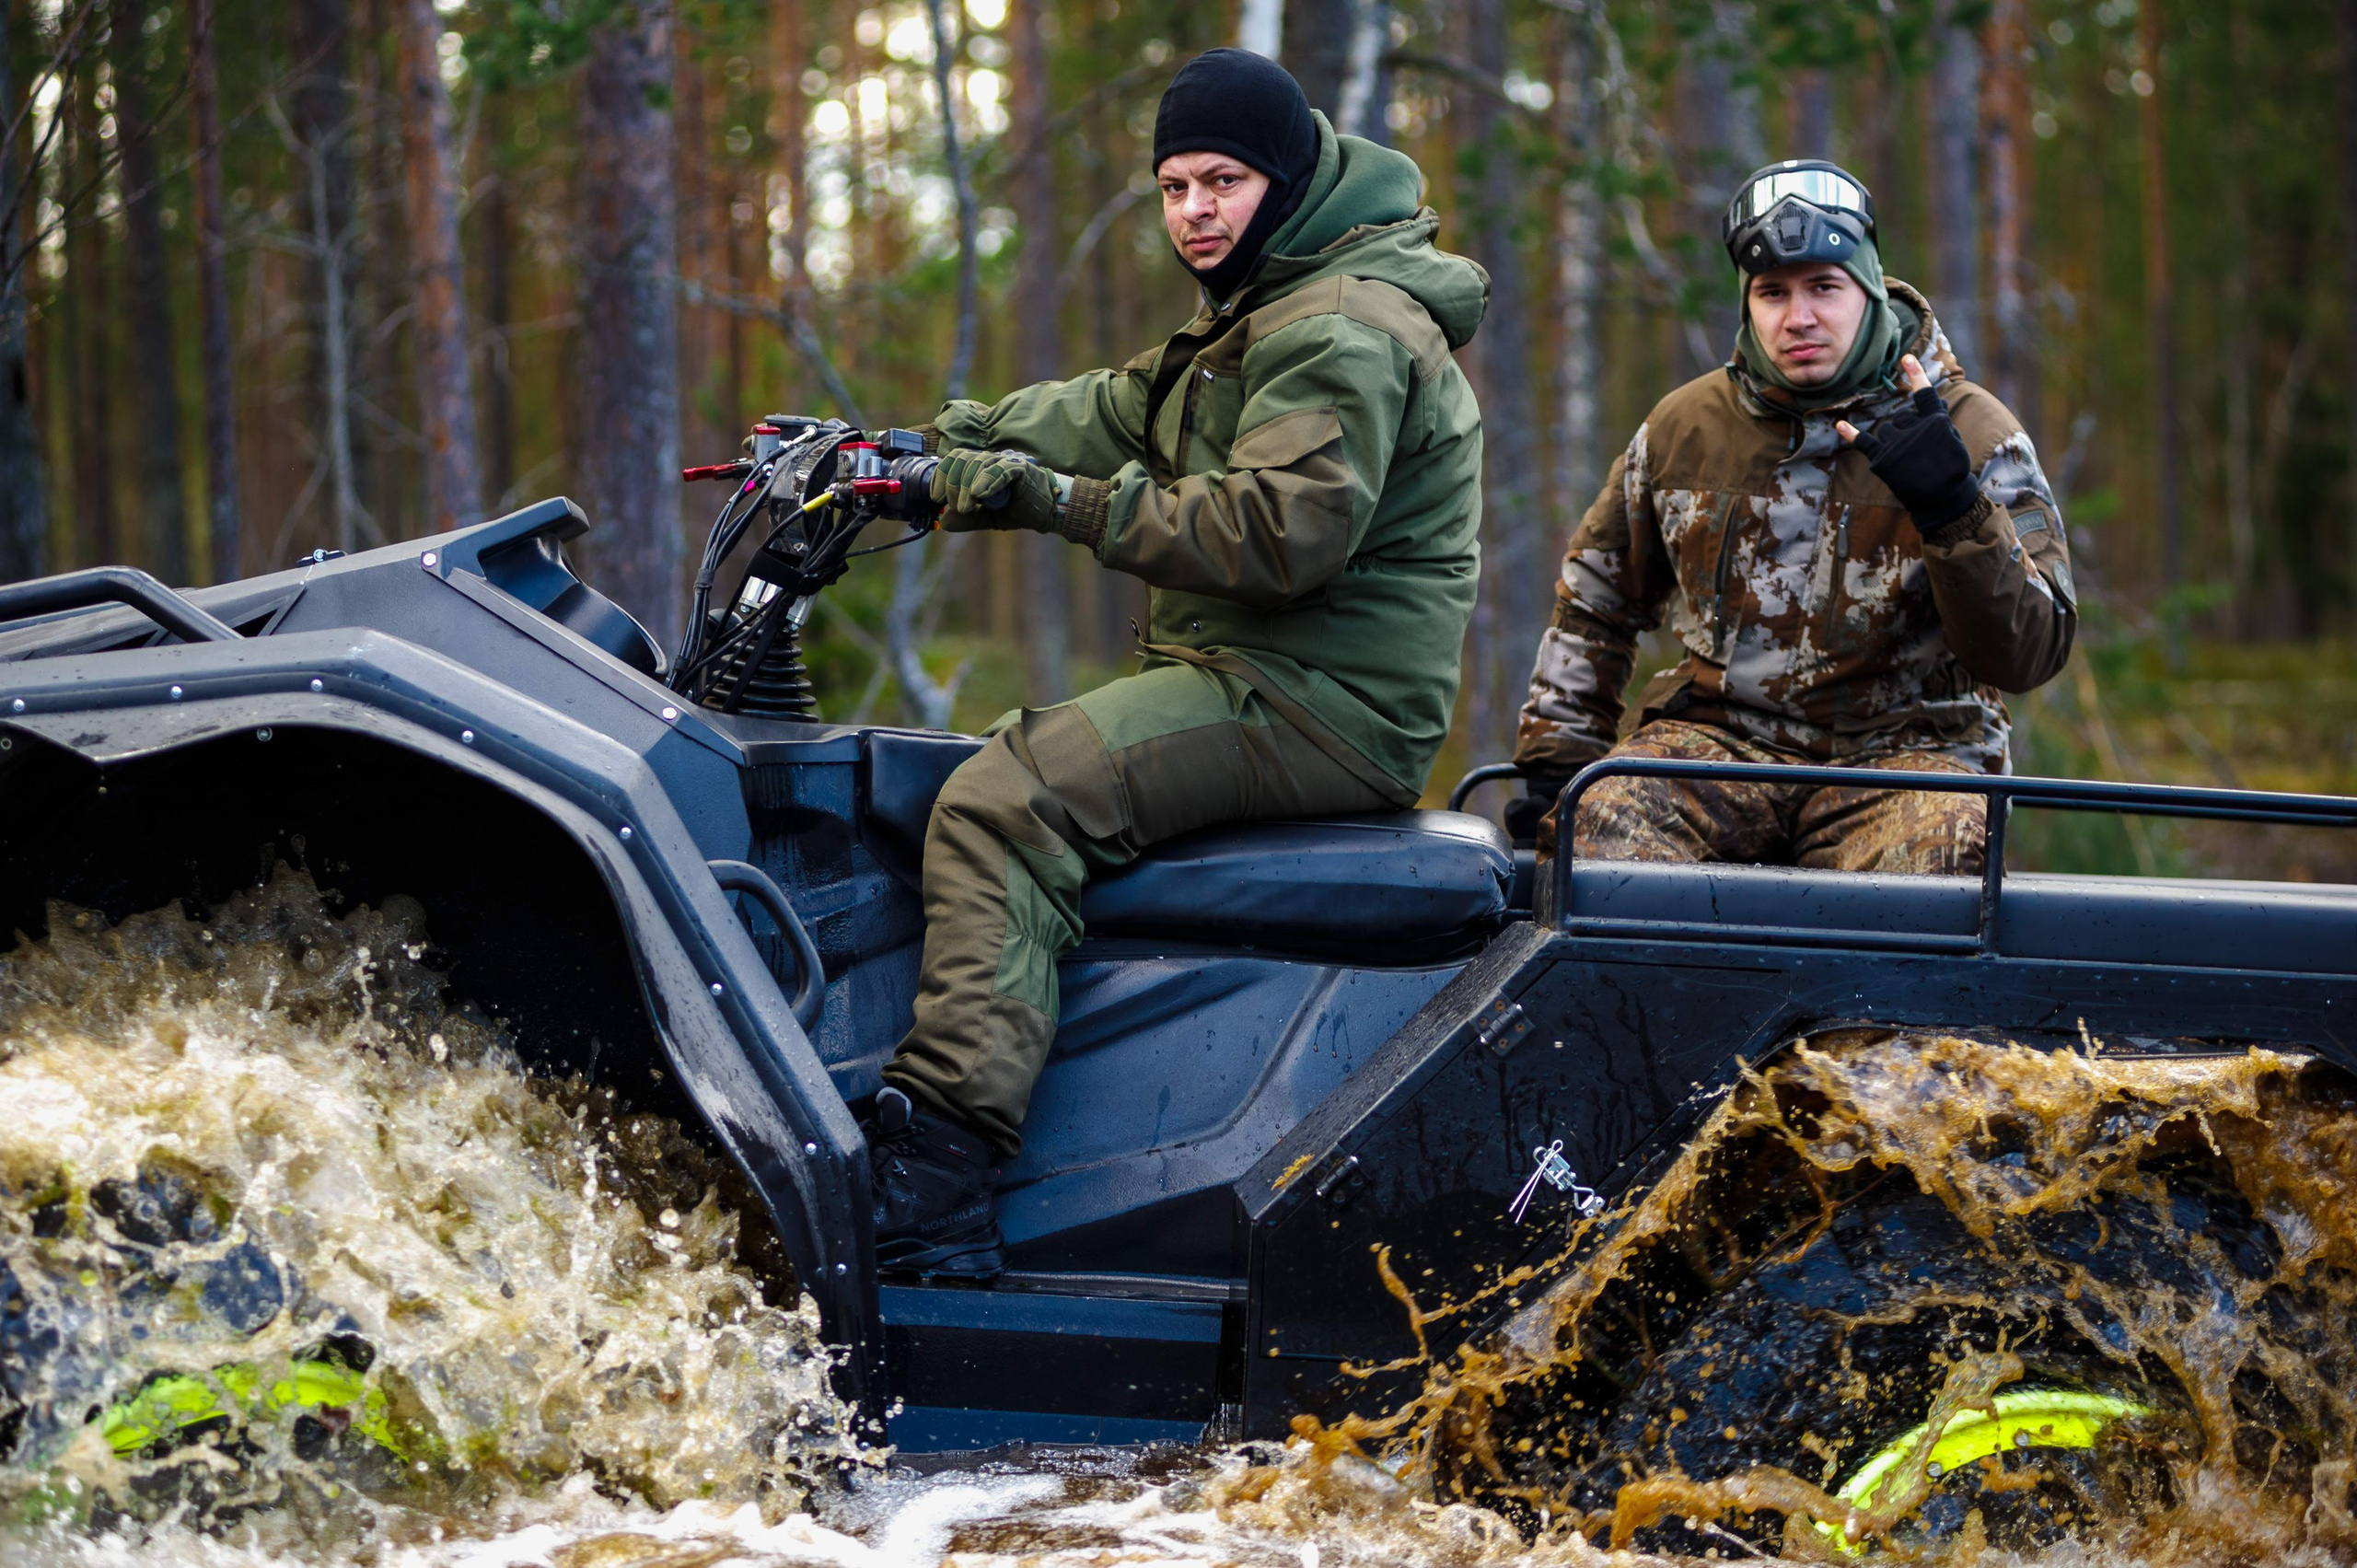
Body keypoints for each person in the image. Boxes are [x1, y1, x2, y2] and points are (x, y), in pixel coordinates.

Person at [865, 49, 1490, 1276]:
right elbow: (1114, 406)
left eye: (1224, 179)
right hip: (1271, 677)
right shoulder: (1274, 299)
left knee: (1006, 799)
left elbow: (1279, 536)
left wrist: (1035, 498)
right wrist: (918, 448)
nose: (1194, 210)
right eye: (1172, 186)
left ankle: (930, 1192)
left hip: (1313, 701)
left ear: (1288, 177)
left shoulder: (1340, 327)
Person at [1510, 159, 2075, 876]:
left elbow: (2033, 651)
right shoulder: (1685, 428)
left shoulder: (1973, 429)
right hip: (1721, 744)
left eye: (1823, 288)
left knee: (1930, 869)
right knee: (1596, 833)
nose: (1798, 318)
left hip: (1908, 754)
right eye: (1772, 292)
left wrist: (1953, 507)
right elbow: (1596, 602)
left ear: (1868, 289)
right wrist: (1555, 766)